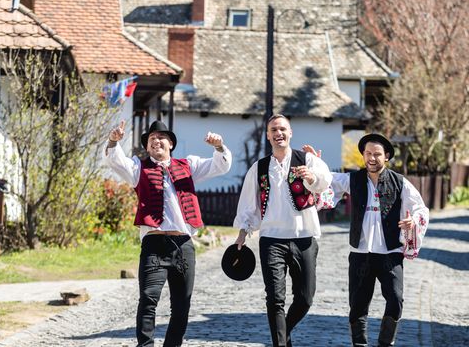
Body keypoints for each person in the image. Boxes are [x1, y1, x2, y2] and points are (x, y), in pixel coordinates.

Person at [104, 119, 231, 347]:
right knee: (148, 300)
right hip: (154, 245)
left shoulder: (188, 166)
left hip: (183, 245)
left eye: (161, 137)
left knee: (182, 305)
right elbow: (116, 161)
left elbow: (220, 166)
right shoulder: (138, 168)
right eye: (152, 138)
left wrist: (219, 146)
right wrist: (114, 141)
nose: (156, 141)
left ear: (170, 143)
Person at [303, 133, 429, 347]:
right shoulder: (353, 179)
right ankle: (360, 344)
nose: (372, 158)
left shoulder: (400, 182)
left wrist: (413, 220)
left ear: (386, 156)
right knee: (358, 304)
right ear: (363, 155)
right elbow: (326, 181)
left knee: (396, 299)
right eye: (368, 153)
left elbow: (420, 208)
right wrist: (316, 166)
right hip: (360, 253)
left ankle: (385, 343)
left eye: (377, 154)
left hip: (390, 252)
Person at [233, 114, 332, 347]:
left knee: (305, 298)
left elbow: (325, 181)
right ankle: (280, 343)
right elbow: (249, 203)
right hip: (271, 239)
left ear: (290, 133)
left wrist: (312, 177)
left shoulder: (307, 159)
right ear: (268, 136)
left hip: (304, 237)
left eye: (283, 129)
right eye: (274, 130)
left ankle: (282, 332)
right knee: (275, 299)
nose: (279, 133)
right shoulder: (259, 168)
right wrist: (242, 233)